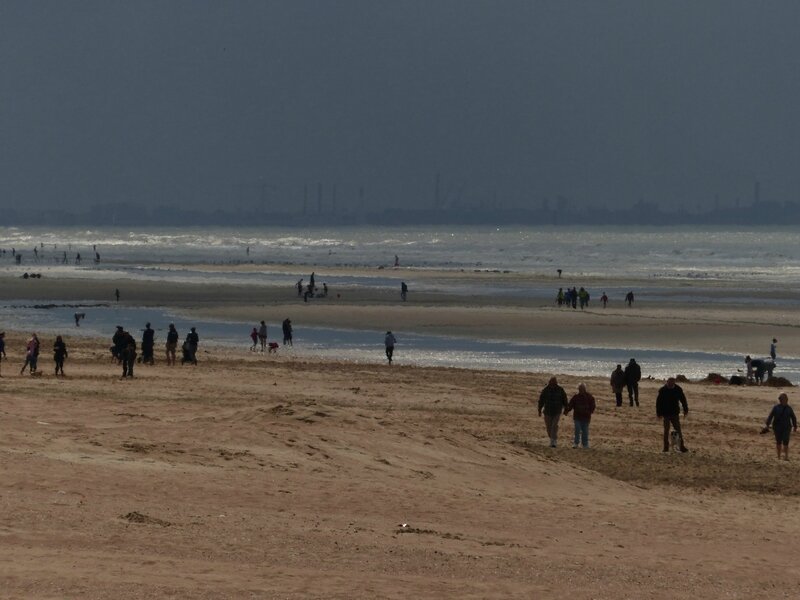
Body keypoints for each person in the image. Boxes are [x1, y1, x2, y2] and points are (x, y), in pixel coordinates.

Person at [656, 377, 689, 453]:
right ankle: (666, 448)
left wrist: (685, 409)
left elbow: (683, 400)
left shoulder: (678, 389)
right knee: (666, 431)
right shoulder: (662, 390)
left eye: (672, 383)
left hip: (675, 413)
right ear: (667, 382)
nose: (670, 384)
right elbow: (658, 403)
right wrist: (659, 413)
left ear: (674, 382)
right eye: (669, 383)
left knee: (678, 430)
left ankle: (681, 447)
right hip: (666, 413)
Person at [537, 377, 568, 448]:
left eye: (554, 381)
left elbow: (565, 399)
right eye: (552, 381)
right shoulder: (545, 390)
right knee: (549, 427)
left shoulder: (560, 389)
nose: (553, 383)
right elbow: (541, 400)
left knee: (554, 425)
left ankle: (553, 441)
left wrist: (566, 409)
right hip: (547, 411)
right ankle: (552, 438)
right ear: (549, 382)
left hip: (557, 411)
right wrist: (539, 410)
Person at [765, 393, 797, 460]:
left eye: (782, 399)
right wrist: (767, 425)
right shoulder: (776, 407)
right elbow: (770, 416)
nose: (780, 400)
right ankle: (779, 457)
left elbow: (793, 417)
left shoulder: (789, 408)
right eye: (780, 399)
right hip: (777, 427)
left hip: (786, 427)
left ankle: (786, 457)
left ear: (786, 399)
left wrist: (795, 426)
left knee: (786, 442)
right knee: (778, 441)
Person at [566, 383, 596, 449]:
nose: (581, 390)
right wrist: (567, 410)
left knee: (585, 431)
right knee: (577, 429)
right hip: (577, 417)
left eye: (582, 389)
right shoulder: (576, 397)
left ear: (585, 389)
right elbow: (570, 405)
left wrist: (590, 411)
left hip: (586, 417)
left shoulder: (589, 397)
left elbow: (593, 405)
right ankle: (576, 443)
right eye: (580, 389)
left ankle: (585, 444)